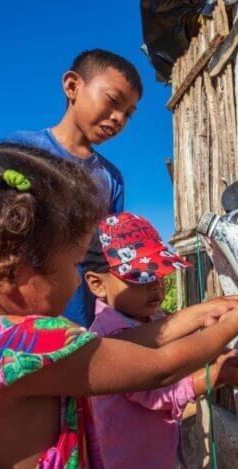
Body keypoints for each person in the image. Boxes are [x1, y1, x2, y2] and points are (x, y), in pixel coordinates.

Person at [0, 143, 238, 469]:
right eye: (70, 266)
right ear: (6, 262)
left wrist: (193, 316)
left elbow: (113, 343)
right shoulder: (21, 345)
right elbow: (161, 366)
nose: (76, 284)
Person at [82, 212, 238, 469]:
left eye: (156, 273)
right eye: (140, 278)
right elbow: (163, 386)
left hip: (156, 459)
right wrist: (219, 374)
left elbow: (179, 341)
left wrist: (222, 353)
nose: (155, 286)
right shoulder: (107, 335)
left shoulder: (149, 316)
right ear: (98, 284)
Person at [9, 49, 141, 328]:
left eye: (128, 114)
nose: (119, 118)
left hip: (79, 317)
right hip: (17, 311)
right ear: (72, 86)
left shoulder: (111, 178)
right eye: (113, 101)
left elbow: (108, 254)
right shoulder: (22, 151)